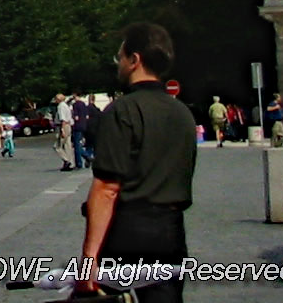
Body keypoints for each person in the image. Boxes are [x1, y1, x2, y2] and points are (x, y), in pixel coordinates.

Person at [78, 22, 196, 303]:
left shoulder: (122, 111)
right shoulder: (182, 114)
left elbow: (107, 187)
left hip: (127, 229)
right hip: (170, 231)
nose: (118, 63)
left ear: (135, 60)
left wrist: (88, 259)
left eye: (120, 57)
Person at [71, 95, 93, 170]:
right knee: (79, 144)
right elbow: (87, 116)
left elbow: (76, 117)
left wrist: (73, 116)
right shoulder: (83, 104)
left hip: (77, 126)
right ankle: (87, 157)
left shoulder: (75, 105)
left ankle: (80, 162)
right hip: (84, 126)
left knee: (77, 145)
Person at [54, 93, 75, 171]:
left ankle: (66, 160)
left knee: (57, 146)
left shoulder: (60, 106)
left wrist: (62, 129)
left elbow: (63, 119)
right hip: (69, 125)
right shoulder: (66, 105)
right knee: (67, 145)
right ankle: (71, 163)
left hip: (63, 126)